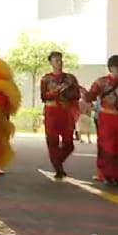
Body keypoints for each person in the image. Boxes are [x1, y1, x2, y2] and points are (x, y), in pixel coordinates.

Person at [40, 51, 81, 179]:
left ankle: (58, 161)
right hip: (51, 112)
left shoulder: (70, 78)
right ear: (51, 63)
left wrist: (67, 92)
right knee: (52, 141)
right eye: (56, 60)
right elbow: (43, 96)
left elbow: (77, 94)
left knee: (69, 143)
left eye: (60, 60)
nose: (59, 62)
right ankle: (58, 168)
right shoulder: (46, 79)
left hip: (66, 112)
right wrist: (55, 92)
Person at [84, 55, 118, 186]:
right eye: (116, 66)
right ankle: (107, 174)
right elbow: (90, 97)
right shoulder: (101, 82)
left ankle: (115, 175)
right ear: (111, 68)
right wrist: (85, 94)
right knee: (108, 147)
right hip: (107, 118)